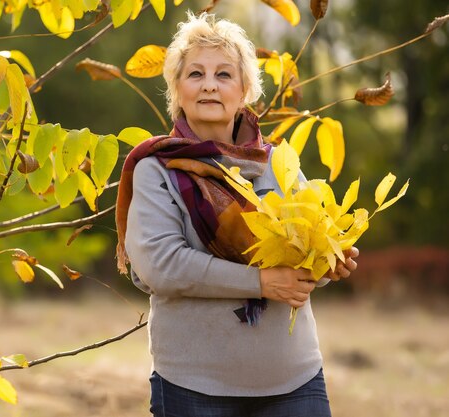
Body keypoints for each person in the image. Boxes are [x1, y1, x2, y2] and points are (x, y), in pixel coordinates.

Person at [115, 12, 360, 417]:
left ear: (245, 89)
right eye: (195, 73)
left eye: (224, 74)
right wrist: (260, 282)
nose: (209, 84)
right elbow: (162, 265)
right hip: (193, 384)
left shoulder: (280, 162)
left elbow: (302, 254)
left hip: (294, 380)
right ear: (177, 88)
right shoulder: (156, 168)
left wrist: (327, 260)